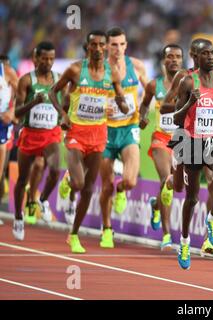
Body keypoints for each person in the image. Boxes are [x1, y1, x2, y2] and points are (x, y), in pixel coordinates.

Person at [49, 30, 129, 253]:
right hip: (76, 133)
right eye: (93, 44)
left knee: (88, 188)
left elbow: (120, 98)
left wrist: (122, 106)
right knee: (79, 183)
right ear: (88, 47)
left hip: (99, 135)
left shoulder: (112, 73)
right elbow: (52, 93)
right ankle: (68, 181)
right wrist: (62, 115)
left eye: (101, 45)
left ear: (105, 47)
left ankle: (73, 235)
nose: (98, 48)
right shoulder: (76, 69)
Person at [173, 39, 213, 269]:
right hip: (192, 142)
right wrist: (189, 102)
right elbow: (176, 119)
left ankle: (211, 220)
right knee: (191, 198)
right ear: (196, 58)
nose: (211, 57)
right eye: (206, 54)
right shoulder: (188, 82)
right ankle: (185, 241)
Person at [161, 38, 213, 255]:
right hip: (185, 136)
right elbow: (166, 106)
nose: (206, 57)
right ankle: (164, 190)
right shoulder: (184, 78)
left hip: (209, 138)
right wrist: (187, 104)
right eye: (200, 53)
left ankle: (207, 238)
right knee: (179, 187)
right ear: (194, 55)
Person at [97, 27, 148, 249]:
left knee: (130, 180)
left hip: (129, 128)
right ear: (107, 46)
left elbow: (150, 89)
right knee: (106, 184)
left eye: (121, 44)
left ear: (126, 45)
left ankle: (122, 190)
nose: (118, 49)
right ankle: (107, 229)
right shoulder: (99, 70)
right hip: (105, 131)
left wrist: (143, 111)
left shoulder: (136, 66)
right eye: (114, 44)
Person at [14, 41, 64, 236]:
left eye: (51, 59)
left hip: (51, 133)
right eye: (44, 58)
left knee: (54, 171)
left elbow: (64, 105)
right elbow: (17, 112)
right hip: (30, 134)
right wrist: (34, 102)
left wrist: (64, 117)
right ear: (36, 58)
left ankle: (42, 200)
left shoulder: (59, 80)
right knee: (22, 179)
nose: (48, 62)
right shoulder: (26, 80)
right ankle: (19, 217)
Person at [139, 44, 183, 250]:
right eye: (170, 57)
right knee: (167, 181)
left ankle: (155, 205)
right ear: (164, 61)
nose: (174, 60)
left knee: (174, 185)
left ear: (182, 61)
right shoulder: (153, 85)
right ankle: (167, 235)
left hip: (183, 141)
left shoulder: (189, 84)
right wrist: (143, 117)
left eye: (178, 57)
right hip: (160, 139)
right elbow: (144, 105)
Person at [0, 53, 18, 235]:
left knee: (0, 168)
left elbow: (23, 92)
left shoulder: (7, 72)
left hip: (2, 125)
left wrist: (12, 112)